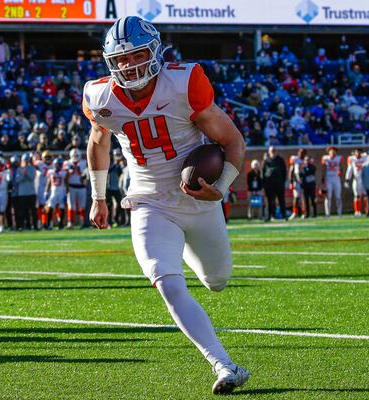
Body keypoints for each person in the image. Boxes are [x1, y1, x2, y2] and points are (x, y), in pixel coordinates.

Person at [84, 16, 249, 394]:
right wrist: (98, 197)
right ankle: (224, 365)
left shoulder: (183, 82)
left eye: (137, 55)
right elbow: (98, 140)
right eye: (121, 60)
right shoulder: (99, 95)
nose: (130, 66)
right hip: (148, 200)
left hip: (197, 198)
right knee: (165, 280)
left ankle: (188, 249)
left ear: (155, 51)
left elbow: (233, 141)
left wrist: (220, 187)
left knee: (217, 280)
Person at [262, 146, 287, 221]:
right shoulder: (266, 161)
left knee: (281, 200)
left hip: (279, 184)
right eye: (271, 151)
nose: (273, 152)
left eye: (274, 151)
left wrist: (283, 182)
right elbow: (263, 173)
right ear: (269, 152)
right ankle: (270, 216)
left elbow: (284, 172)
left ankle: (283, 215)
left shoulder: (280, 160)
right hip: (269, 185)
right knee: (270, 201)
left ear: (276, 152)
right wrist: (264, 184)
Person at [66, 149, 88, 229]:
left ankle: (83, 222)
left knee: (82, 206)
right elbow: (65, 175)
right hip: (71, 186)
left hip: (82, 186)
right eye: (74, 156)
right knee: (71, 206)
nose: (75, 157)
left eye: (76, 156)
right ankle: (70, 222)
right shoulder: (67, 163)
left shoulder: (84, 162)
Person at [44, 157, 68, 230]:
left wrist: (66, 194)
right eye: (57, 164)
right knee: (50, 207)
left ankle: (60, 224)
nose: (59, 166)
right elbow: (49, 182)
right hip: (53, 192)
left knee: (62, 208)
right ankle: (48, 223)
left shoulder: (64, 172)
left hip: (61, 192)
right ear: (54, 164)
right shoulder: (50, 172)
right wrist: (46, 192)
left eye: (60, 164)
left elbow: (66, 183)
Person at [345, 148, 368, 217]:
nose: (358, 153)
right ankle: (357, 211)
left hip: (364, 179)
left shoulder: (365, 158)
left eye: (359, 152)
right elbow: (349, 169)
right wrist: (347, 179)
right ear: (354, 153)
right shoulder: (352, 159)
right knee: (356, 196)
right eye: (356, 152)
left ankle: (367, 210)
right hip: (356, 179)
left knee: (366, 196)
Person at [321, 146, 343, 218]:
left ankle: (339, 213)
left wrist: (341, 172)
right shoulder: (325, 158)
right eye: (331, 151)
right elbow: (323, 169)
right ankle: (327, 213)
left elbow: (341, 167)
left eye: (334, 151)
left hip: (336, 178)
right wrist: (323, 180)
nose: (333, 153)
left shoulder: (338, 158)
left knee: (338, 197)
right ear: (329, 152)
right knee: (328, 197)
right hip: (328, 179)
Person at [288, 148, 306, 220]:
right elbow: (291, 171)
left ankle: (304, 213)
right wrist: (291, 182)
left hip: (304, 181)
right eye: (300, 152)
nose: (300, 154)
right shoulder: (295, 159)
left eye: (302, 152)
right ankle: (294, 212)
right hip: (297, 181)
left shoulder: (305, 160)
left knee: (303, 198)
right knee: (296, 197)